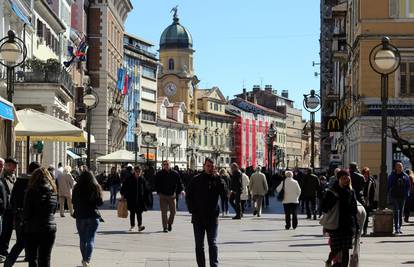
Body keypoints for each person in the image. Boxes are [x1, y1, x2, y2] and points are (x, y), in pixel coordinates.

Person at [186, 158, 227, 267]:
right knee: (199, 245)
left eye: (212, 166)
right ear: (204, 166)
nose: (210, 168)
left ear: (215, 168)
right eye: (208, 166)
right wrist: (192, 209)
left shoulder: (217, 180)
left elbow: (224, 194)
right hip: (198, 218)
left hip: (212, 218)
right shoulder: (196, 179)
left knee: (212, 244)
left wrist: (219, 179)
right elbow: (188, 195)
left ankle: (214, 265)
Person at [4, 161, 40, 267]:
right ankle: (29, 258)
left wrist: (15, 212)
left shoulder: (19, 181)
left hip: (19, 216)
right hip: (32, 218)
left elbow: (13, 198)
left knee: (20, 242)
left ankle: (8, 263)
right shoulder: (36, 182)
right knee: (34, 243)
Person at [322, 169, 358, 267]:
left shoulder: (351, 191)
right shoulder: (332, 191)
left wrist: (356, 225)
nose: (346, 180)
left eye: (347, 178)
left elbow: (354, 208)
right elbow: (324, 207)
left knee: (346, 249)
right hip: (335, 225)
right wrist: (334, 199)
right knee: (336, 249)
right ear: (339, 179)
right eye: (343, 178)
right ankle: (329, 261)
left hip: (347, 225)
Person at [23, 167, 58, 267]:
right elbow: (53, 210)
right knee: (45, 258)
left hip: (32, 228)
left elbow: (27, 212)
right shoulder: (53, 192)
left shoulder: (30, 192)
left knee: (32, 258)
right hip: (49, 228)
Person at [72, 171, 103, 267]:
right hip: (93, 216)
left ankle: (84, 259)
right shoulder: (95, 187)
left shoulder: (76, 187)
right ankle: (87, 260)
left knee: (82, 239)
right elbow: (100, 203)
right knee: (90, 239)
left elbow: (73, 201)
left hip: (80, 216)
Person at [155, 160, 183, 232]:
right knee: (164, 212)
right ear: (163, 165)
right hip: (163, 195)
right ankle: (165, 227)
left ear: (170, 165)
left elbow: (179, 183)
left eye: (167, 164)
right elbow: (156, 183)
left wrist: (181, 191)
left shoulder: (175, 173)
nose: (166, 165)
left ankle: (169, 223)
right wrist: (158, 191)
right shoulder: (159, 173)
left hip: (172, 195)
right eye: (164, 164)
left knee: (173, 212)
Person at [120, 166, 149, 232]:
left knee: (139, 213)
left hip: (140, 199)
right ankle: (132, 226)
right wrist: (122, 195)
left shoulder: (142, 179)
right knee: (132, 213)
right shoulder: (129, 178)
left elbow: (146, 189)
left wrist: (146, 198)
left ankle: (140, 226)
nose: (138, 173)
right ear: (134, 171)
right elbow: (124, 186)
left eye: (139, 172)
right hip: (131, 199)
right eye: (137, 171)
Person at [0, 157, 18, 261]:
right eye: (12, 165)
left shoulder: (13, 176)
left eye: (15, 166)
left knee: (8, 231)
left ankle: (4, 249)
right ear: (7, 165)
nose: (14, 168)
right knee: (4, 231)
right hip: (5, 209)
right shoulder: (2, 176)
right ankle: (2, 250)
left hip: (11, 208)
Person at [387, 162, 410, 234]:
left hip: (402, 196)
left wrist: (406, 194)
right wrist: (388, 194)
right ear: (395, 167)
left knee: (401, 212)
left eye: (401, 166)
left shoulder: (405, 176)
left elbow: (408, 186)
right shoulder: (392, 176)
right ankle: (396, 228)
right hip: (394, 196)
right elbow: (388, 185)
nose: (400, 168)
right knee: (396, 211)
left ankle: (399, 227)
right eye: (399, 166)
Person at [361, 167, 376, 236]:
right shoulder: (360, 180)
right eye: (364, 173)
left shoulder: (371, 181)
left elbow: (373, 192)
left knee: (366, 216)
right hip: (361, 200)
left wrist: (370, 201)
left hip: (368, 200)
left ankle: (365, 230)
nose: (365, 175)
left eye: (366, 173)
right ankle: (360, 229)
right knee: (360, 216)